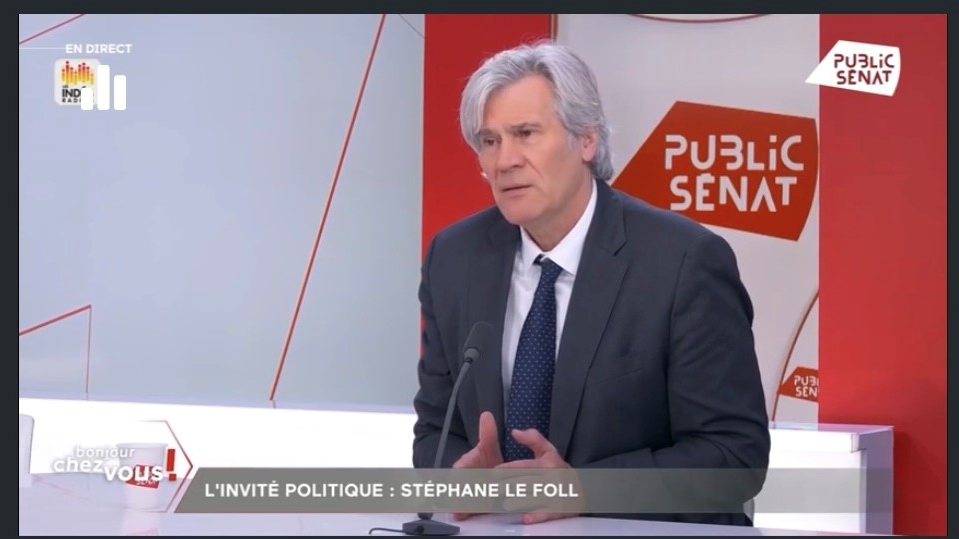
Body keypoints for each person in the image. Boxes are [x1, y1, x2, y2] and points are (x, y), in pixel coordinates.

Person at [412, 40, 770, 527]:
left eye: (525, 134)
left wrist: (584, 490)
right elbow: (435, 430)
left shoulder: (683, 261)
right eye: (489, 141)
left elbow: (734, 456)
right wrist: (462, 474)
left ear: (586, 140)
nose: (504, 161)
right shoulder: (454, 258)